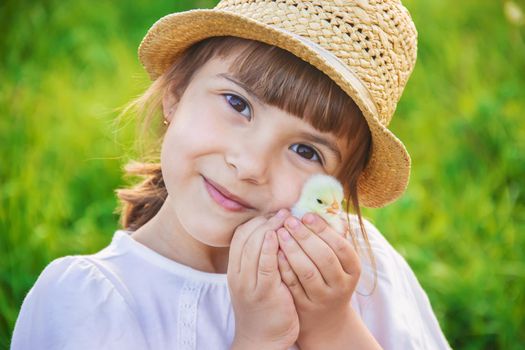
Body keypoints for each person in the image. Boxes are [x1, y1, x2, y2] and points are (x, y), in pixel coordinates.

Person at [11, 1, 451, 349]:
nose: (250, 166)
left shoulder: (355, 277)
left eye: (305, 150)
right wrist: (261, 340)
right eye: (238, 104)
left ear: (335, 188)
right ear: (175, 94)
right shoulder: (90, 305)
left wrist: (331, 329)